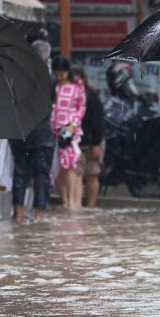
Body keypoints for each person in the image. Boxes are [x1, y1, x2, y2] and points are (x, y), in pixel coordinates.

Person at [9, 41, 55, 223]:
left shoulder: (16, 77)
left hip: (20, 132)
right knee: (41, 175)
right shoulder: (50, 80)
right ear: (46, 58)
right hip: (42, 134)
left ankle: (18, 215)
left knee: (20, 173)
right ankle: (39, 215)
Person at [51, 56, 86, 210]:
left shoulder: (77, 87)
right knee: (54, 169)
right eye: (57, 74)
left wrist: (73, 124)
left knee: (70, 165)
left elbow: (82, 108)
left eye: (62, 74)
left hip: (69, 131)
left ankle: (71, 201)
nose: (59, 77)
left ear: (67, 72)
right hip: (51, 132)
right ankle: (64, 200)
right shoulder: (51, 87)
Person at [71, 66, 105, 208]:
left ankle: (90, 207)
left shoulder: (91, 96)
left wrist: (96, 144)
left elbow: (98, 121)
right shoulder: (69, 96)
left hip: (92, 142)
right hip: (76, 142)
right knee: (77, 174)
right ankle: (76, 206)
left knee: (92, 175)